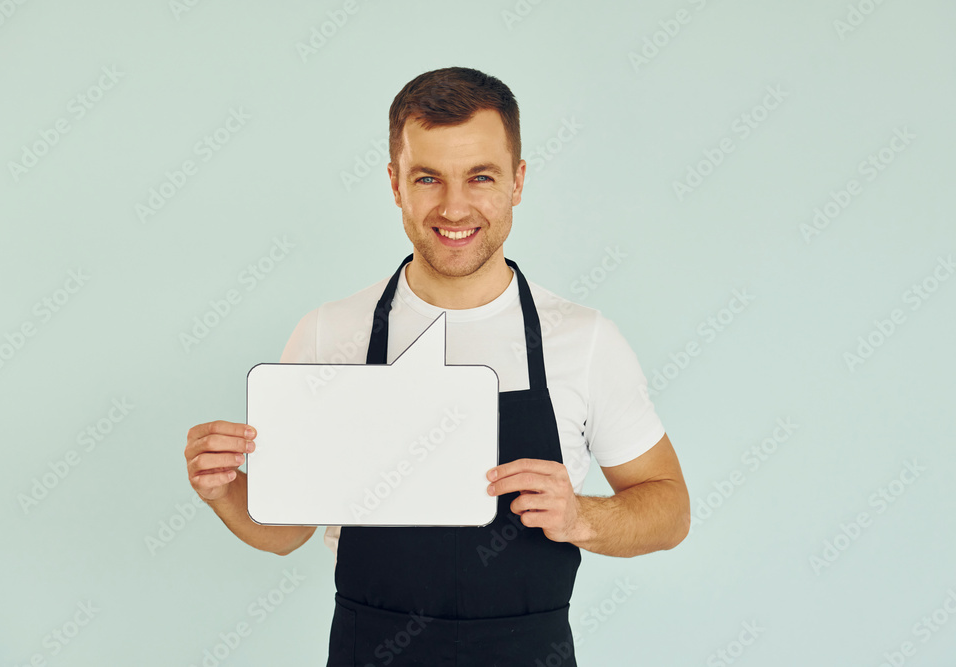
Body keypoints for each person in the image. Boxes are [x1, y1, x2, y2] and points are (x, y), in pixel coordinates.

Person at [185, 66, 690, 666]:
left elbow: (670, 510)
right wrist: (222, 491)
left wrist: (583, 516)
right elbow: (285, 532)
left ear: (517, 182)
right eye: (428, 177)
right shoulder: (331, 333)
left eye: (481, 176)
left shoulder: (584, 342)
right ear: (395, 183)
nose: (455, 207)